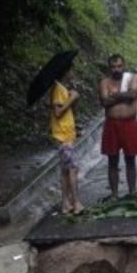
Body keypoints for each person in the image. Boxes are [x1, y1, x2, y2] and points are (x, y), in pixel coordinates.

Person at [97, 54, 137, 199]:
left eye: (119, 66)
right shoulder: (104, 82)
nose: (116, 69)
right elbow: (104, 102)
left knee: (131, 159)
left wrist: (114, 96)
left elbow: (133, 95)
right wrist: (124, 95)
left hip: (129, 123)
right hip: (112, 125)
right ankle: (114, 194)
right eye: (113, 67)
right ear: (109, 68)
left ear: (124, 66)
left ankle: (132, 192)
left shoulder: (132, 78)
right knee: (112, 160)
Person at [49, 64, 84, 214]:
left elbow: (69, 111)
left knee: (65, 171)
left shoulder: (62, 89)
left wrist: (73, 100)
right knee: (72, 169)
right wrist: (72, 98)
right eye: (71, 70)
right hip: (63, 136)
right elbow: (58, 112)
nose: (73, 73)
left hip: (67, 135)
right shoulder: (57, 88)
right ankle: (75, 203)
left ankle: (66, 204)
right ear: (65, 71)